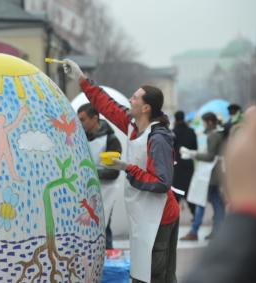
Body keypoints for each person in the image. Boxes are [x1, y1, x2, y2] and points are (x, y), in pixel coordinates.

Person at [64, 59, 179, 283]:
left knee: (156, 275)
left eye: (135, 97)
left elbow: (162, 182)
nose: (130, 99)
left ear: (146, 107)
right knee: (141, 273)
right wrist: (80, 78)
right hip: (142, 215)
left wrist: (127, 168)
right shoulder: (132, 124)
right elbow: (105, 104)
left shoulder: (158, 139)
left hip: (161, 216)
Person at [184, 105, 256, 283]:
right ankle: (206, 228)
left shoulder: (217, 135)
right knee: (213, 203)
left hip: (212, 178)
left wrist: (246, 210)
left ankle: (200, 229)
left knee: (210, 203)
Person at [77, 103, 122, 250]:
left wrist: (91, 172)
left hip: (106, 191)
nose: (80, 123)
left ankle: (108, 261)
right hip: (85, 191)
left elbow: (114, 171)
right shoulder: (80, 137)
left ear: (95, 118)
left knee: (103, 227)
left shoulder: (111, 139)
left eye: (83, 119)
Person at [180, 112, 226, 241]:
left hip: (209, 176)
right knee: (216, 203)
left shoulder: (213, 136)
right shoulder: (218, 134)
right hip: (213, 175)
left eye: (204, 122)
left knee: (201, 202)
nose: (203, 125)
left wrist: (192, 154)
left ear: (210, 122)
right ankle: (217, 230)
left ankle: (195, 231)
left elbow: (210, 156)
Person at [172, 111, 197, 217]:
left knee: (176, 192)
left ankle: (173, 216)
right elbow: (195, 148)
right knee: (189, 192)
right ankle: (195, 216)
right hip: (188, 165)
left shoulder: (172, 132)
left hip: (176, 166)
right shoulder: (191, 131)